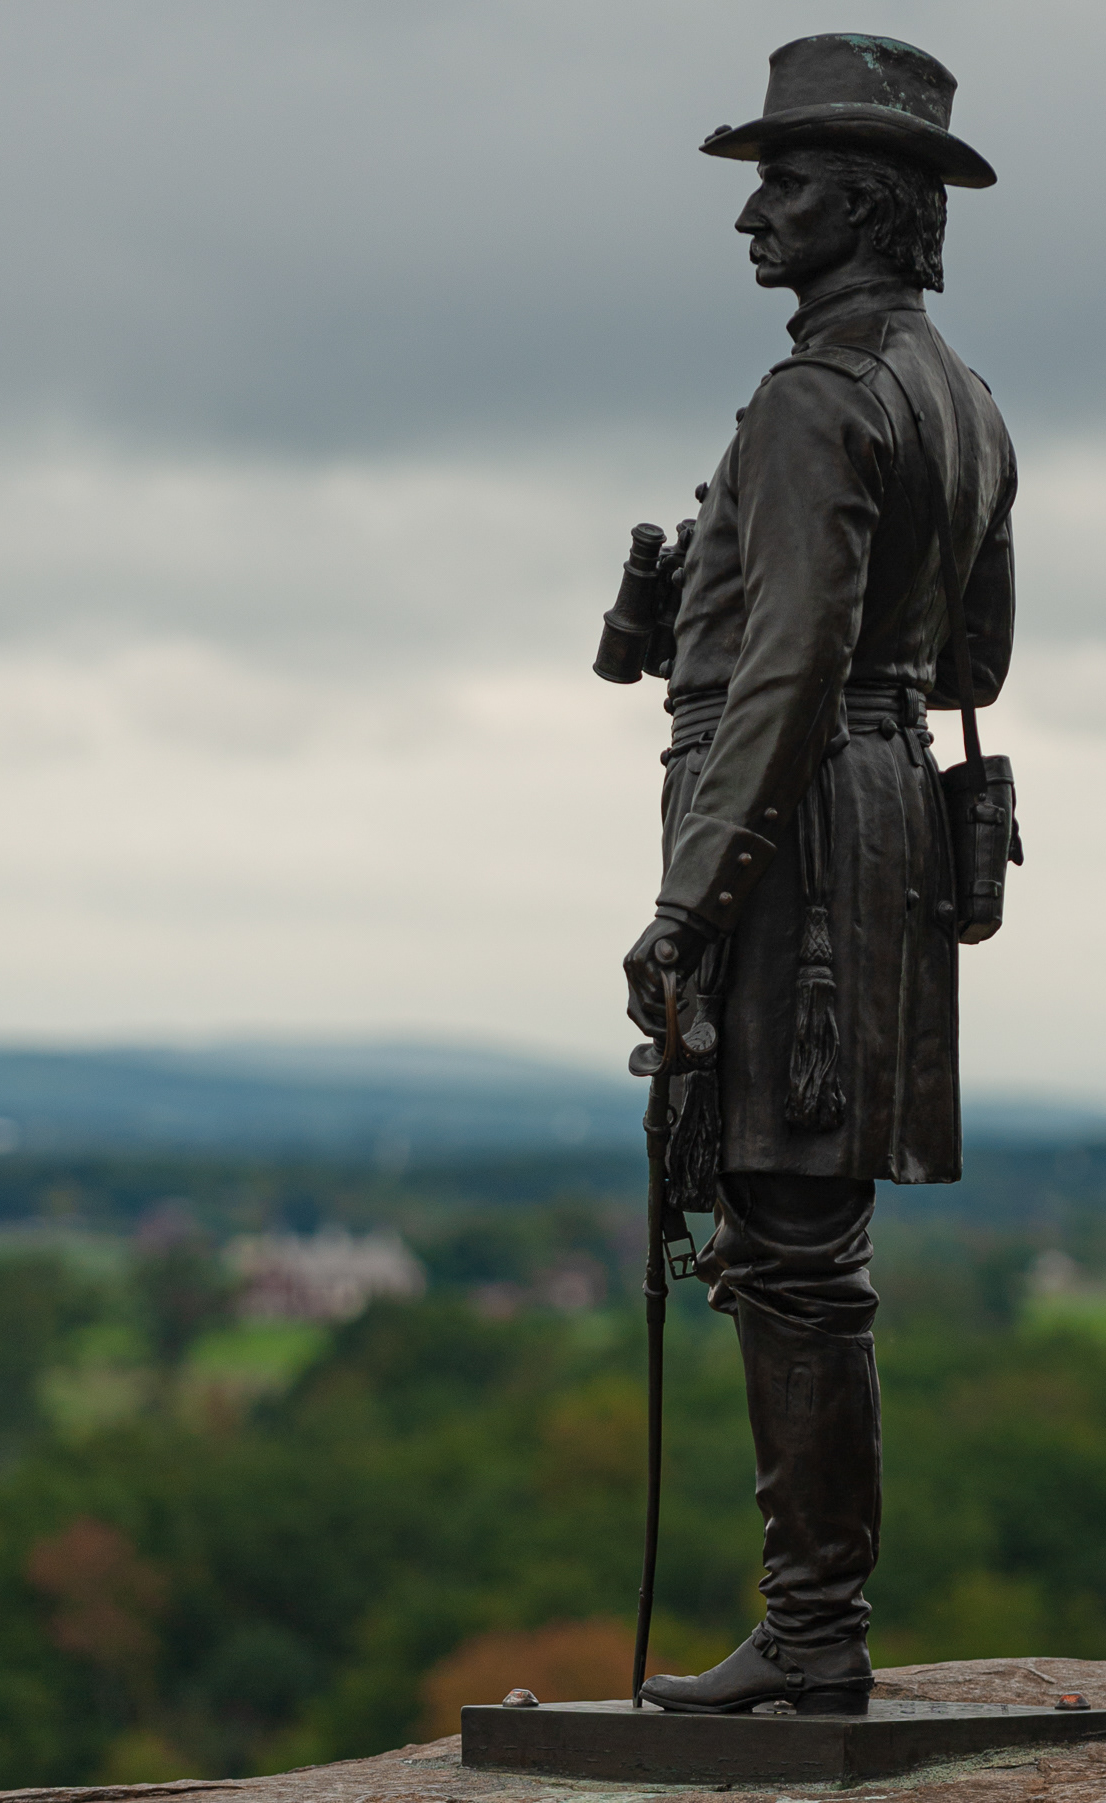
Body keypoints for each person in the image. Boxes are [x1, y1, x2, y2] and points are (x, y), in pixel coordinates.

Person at [624, 35, 1016, 1716]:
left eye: (779, 185)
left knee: (783, 1249)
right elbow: (970, 650)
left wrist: (689, 900)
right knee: (810, 1245)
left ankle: (809, 1633)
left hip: (788, 838)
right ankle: (815, 1623)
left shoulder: (812, 398)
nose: (752, 219)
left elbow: (787, 674)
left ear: (865, 203)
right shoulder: (962, 397)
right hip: (884, 819)